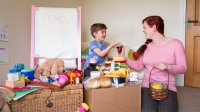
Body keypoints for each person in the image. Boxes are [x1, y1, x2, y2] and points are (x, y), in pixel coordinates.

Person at [121, 16, 187, 112]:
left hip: (168, 87)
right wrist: (123, 57)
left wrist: (167, 67)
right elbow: (138, 66)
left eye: (145, 27)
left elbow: (183, 68)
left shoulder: (176, 44)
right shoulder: (146, 47)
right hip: (147, 86)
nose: (143, 30)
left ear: (154, 27)